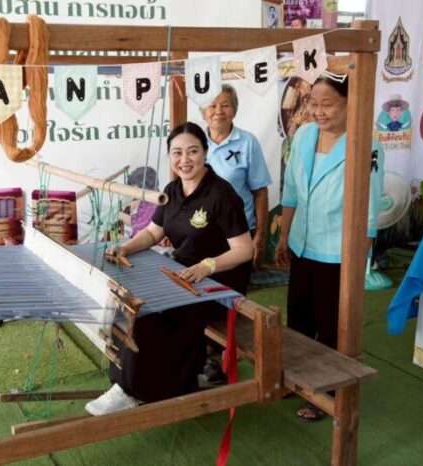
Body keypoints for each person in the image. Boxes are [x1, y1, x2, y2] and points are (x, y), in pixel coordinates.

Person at [85, 122, 253, 415]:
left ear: (205, 153)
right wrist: (126, 248)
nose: (184, 160)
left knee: (149, 315)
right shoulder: (172, 191)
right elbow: (153, 232)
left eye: (192, 151)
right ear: (169, 156)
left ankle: (136, 389)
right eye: (177, 153)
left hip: (219, 284)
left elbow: (244, 249)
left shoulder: (221, 195)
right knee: (125, 301)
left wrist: (207, 266)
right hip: (184, 275)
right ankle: (130, 384)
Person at [274, 75, 384, 421]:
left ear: (350, 103)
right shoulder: (304, 135)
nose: (319, 112)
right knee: (299, 320)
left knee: (331, 326)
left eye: (328, 104)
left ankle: (327, 393)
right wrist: (284, 235)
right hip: (302, 244)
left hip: (338, 252)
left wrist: (360, 260)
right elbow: (291, 190)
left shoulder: (366, 145)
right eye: (314, 104)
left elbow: (369, 208)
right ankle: (297, 380)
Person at [203, 84, 272, 268]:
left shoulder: (248, 142)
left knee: (236, 285)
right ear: (203, 111)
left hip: (240, 233)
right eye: (212, 105)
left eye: (225, 105)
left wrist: (260, 236)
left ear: (234, 110)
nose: (218, 111)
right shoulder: (195, 141)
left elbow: (260, 192)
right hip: (201, 231)